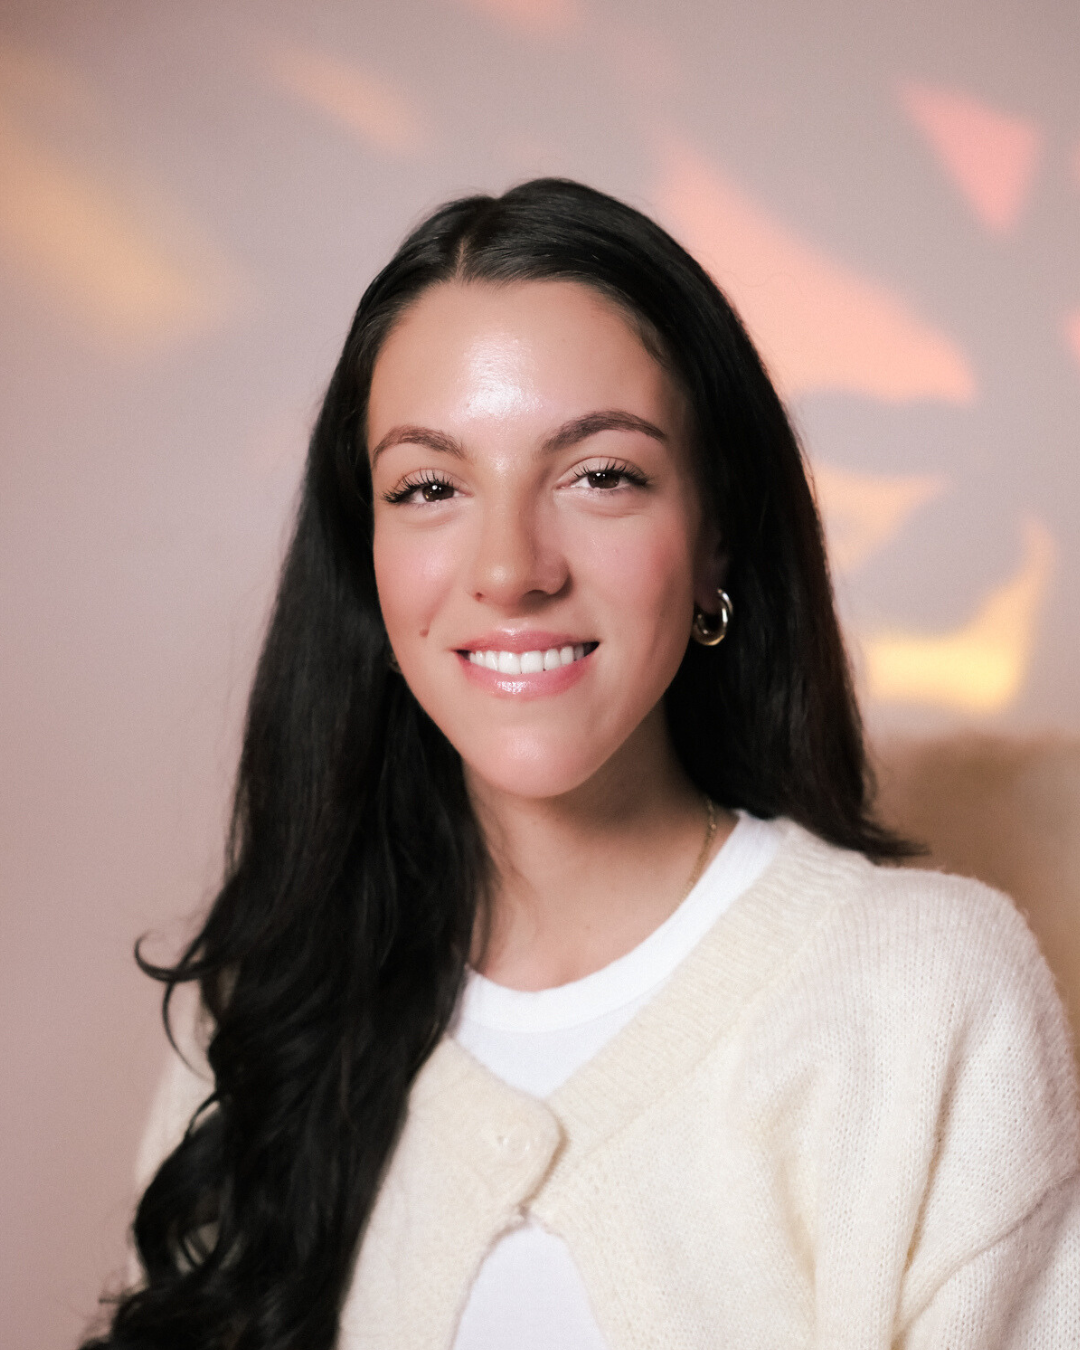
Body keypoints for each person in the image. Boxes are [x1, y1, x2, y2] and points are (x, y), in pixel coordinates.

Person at [86, 179, 1080, 1350]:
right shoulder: (267, 993)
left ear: (715, 534)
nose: (510, 569)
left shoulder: (925, 994)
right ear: (368, 560)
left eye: (600, 473)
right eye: (429, 487)